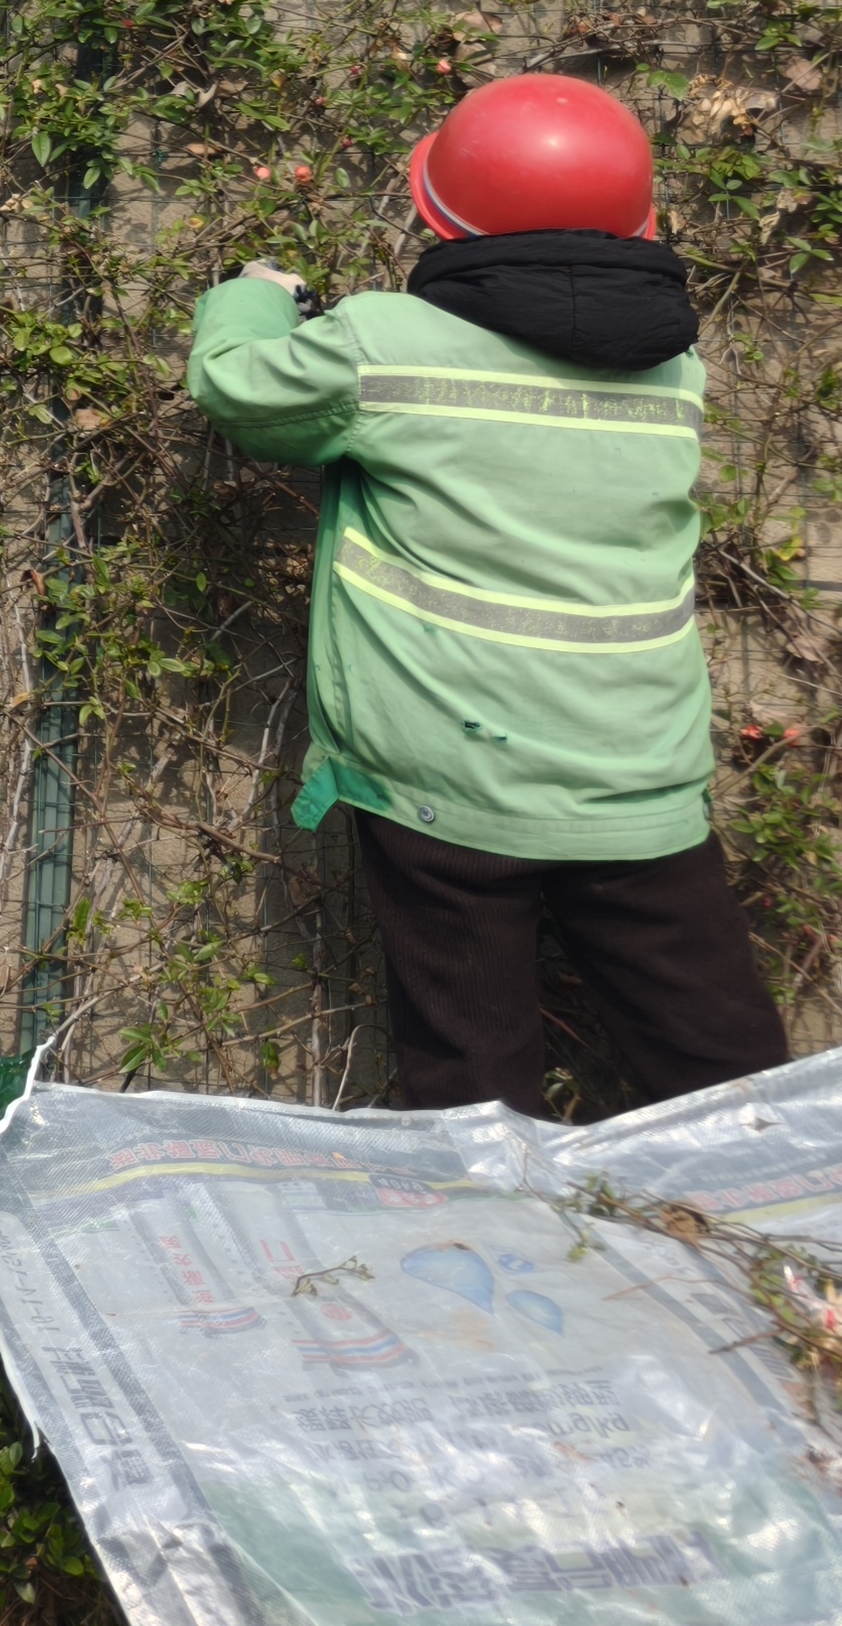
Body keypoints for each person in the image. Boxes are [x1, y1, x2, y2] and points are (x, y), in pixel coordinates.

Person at [189, 71, 788, 1118]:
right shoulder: (673, 371)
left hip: (447, 778)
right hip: (635, 777)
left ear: (438, 211)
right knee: (722, 1071)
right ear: (635, 220)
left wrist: (253, 292)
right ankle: (790, 1254)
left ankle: (477, 1259)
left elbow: (238, 388)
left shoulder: (380, 345)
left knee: (468, 1079)